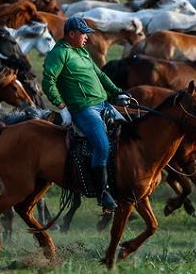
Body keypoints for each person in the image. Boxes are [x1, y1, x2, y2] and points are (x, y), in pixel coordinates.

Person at [41, 16, 130, 212]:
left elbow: (100, 75)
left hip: (103, 104)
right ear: (71, 34)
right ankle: (103, 192)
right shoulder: (59, 54)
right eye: (83, 34)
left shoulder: (81, 51)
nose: (87, 38)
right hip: (84, 109)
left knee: (129, 136)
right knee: (102, 145)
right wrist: (62, 106)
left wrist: (118, 92)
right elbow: (48, 80)